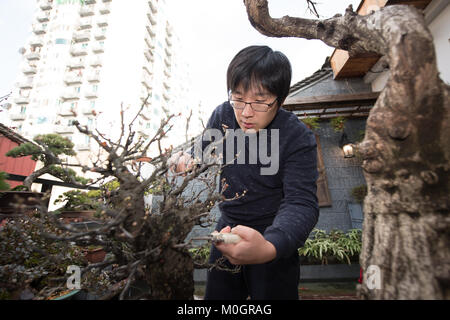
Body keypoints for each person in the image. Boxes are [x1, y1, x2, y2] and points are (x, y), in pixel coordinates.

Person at [169, 45, 319, 300]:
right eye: (238, 98)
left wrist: (270, 246)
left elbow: (301, 202)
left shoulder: (297, 136)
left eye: (260, 101)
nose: (246, 113)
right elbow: (200, 151)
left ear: (280, 100)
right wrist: (183, 158)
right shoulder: (224, 114)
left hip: (272, 233)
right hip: (226, 229)